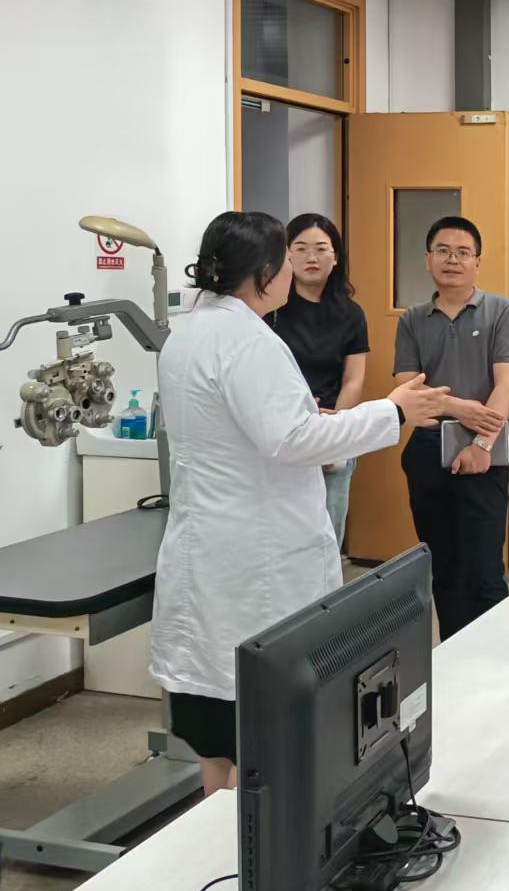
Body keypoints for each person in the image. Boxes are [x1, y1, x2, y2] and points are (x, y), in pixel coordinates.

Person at [150, 211, 446, 794]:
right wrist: (394, 411)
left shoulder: (189, 332)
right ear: (266, 272)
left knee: (217, 730)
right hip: (256, 559)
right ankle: (253, 837)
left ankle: (216, 826)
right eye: (288, 259)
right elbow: (292, 440)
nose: (295, 269)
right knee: (259, 728)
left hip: (212, 543)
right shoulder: (246, 341)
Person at [395, 216, 509, 640]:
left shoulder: (501, 311)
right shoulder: (413, 319)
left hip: (486, 450)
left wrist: (482, 443)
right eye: (443, 251)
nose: (452, 259)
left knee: (484, 569)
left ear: (477, 262)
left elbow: (506, 384)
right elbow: (407, 388)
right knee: (444, 567)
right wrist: (459, 407)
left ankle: (494, 657)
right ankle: (454, 653)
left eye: (463, 252)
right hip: (428, 447)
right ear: (428, 259)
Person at [269, 213, 369, 551]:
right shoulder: (271, 310)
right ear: (286, 255)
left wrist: (331, 433)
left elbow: (353, 380)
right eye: (300, 248)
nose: (311, 257)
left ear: (335, 256)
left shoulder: (351, 314)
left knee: (326, 538)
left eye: (321, 248)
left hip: (332, 430)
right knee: (284, 538)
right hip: (283, 432)